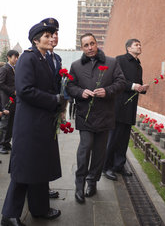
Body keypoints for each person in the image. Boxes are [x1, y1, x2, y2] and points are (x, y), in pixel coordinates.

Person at [1, 22, 64, 226]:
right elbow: (25, 90)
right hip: (29, 124)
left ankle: (39, 208)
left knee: (40, 167)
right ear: (36, 40)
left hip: (42, 122)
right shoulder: (28, 57)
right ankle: (9, 215)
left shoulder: (44, 58)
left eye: (51, 35)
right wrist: (54, 100)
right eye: (46, 36)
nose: (50, 38)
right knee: (24, 168)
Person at [67, 33, 125, 204]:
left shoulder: (112, 62)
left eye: (92, 43)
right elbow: (70, 85)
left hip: (105, 115)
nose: (90, 47)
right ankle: (79, 184)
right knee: (85, 149)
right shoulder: (76, 66)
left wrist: (107, 91)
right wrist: (80, 92)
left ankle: (92, 181)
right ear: (82, 48)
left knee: (100, 152)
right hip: (85, 115)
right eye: (86, 45)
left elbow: (121, 83)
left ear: (96, 43)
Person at [103, 39, 149, 181]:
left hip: (130, 107)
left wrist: (142, 88)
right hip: (118, 105)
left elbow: (138, 84)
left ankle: (119, 165)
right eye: (136, 45)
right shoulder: (120, 60)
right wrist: (133, 86)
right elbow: (116, 80)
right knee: (113, 138)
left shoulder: (138, 66)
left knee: (124, 140)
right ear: (128, 48)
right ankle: (106, 167)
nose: (139, 46)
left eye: (140, 44)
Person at [40, 17, 62, 199]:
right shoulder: (35, 56)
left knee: (48, 153)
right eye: (48, 34)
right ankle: (38, 189)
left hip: (52, 111)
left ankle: (43, 187)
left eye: (55, 33)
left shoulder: (57, 58)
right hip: (39, 111)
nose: (53, 37)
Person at [0, 50, 19, 154]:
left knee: (11, 123)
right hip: (6, 99)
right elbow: (1, 84)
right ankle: (1, 144)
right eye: (14, 57)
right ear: (8, 57)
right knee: (5, 123)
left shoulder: (14, 69)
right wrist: (13, 92)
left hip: (13, 100)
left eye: (17, 57)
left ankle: (7, 143)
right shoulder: (4, 69)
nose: (16, 59)